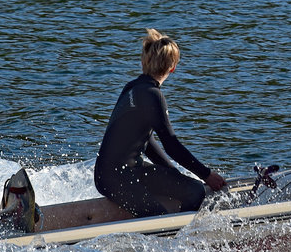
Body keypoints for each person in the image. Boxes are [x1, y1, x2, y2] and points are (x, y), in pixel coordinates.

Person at [93, 30, 227, 217]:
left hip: (121, 171)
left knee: (195, 190)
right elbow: (171, 145)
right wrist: (206, 174)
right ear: (172, 67)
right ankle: (179, 240)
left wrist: (174, 175)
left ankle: (185, 233)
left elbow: (147, 143)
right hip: (113, 178)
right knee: (157, 216)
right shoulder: (153, 95)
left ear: (144, 61)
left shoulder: (132, 87)